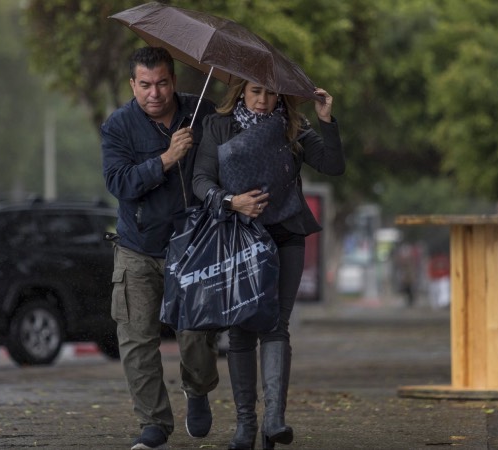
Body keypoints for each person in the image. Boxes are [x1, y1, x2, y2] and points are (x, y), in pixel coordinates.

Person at [193, 78, 345, 449]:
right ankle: (246, 426)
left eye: (271, 92)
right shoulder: (218, 125)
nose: (263, 100)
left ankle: (274, 420)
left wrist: (326, 119)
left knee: (277, 324)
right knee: (242, 328)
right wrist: (231, 201)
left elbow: (333, 165)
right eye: (256, 91)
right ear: (241, 92)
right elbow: (201, 180)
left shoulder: (294, 126)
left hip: (285, 234)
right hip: (237, 237)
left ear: (281, 95)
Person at [101, 46, 220, 450]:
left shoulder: (202, 113)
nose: (155, 93)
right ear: (132, 85)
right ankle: (153, 423)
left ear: (174, 81)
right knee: (137, 340)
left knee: (197, 336)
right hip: (137, 247)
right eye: (146, 85)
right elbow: (119, 183)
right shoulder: (118, 126)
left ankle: (197, 389)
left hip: (193, 247)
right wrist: (167, 158)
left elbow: (228, 162)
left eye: (162, 83)